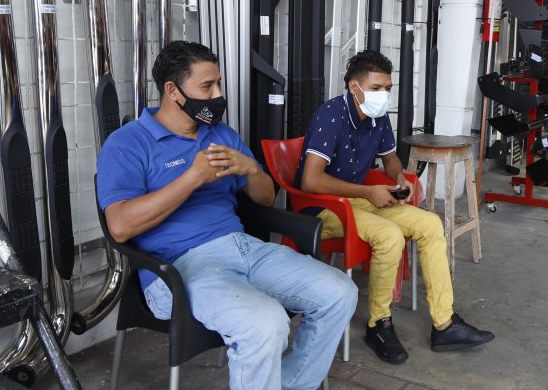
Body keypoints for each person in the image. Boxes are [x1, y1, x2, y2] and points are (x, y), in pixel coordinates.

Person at [98, 41, 357, 390]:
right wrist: (192, 178)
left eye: (218, 84)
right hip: (177, 267)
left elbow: (265, 198)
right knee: (266, 324)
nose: (217, 95)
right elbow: (120, 225)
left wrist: (251, 168)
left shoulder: (221, 135)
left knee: (340, 292)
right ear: (173, 91)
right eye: (207, 87)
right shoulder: (127, 143)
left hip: (244, 248)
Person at [296, 50, 494, 364]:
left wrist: (399, 177)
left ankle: (444, 324)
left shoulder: (377, 117)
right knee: (388, 235)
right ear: (354, 88)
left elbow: (389, 159)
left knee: (430, 224)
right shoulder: (331, 115)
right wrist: (368, 191)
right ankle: (379, 324)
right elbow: (310, 181)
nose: (384, 95)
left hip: (359, 200)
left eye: (388, 88)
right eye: (376, 88)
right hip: (322, 208)